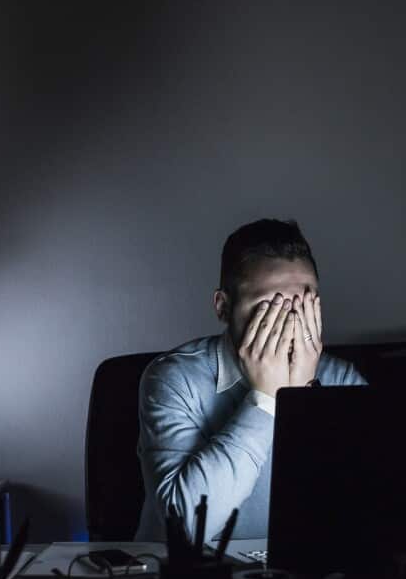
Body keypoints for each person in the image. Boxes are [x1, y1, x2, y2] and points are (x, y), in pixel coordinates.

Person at [134, 218, 366, 542]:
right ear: (223, 307)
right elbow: (184, 527)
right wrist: (267, 398)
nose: (288, 324)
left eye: (302, 306)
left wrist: (304, 399)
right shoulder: (174, 379)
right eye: (268, 308)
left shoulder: (342, 380)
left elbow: (359, 511)